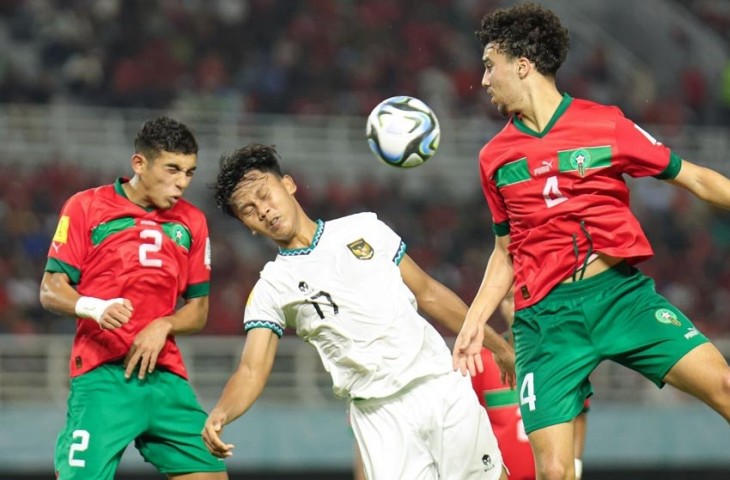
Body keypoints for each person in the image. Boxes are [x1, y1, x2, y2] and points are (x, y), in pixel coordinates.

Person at [452, 3, 730, 480]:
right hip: (545, 323)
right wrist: (474, 321)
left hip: (621, 298)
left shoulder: (606, 124)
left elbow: (698, 180)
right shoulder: (494, 158)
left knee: (724, 384)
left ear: (522, 65)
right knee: (555, 472)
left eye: (489, 65)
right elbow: (505, 251)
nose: (483, 80)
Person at [202, 143, 514, 480]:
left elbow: (429, 294)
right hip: (379, 416)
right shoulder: (271, 288)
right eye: (248, 209)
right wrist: (221, 412)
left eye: (264, 194)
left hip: (438, 385)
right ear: (247, 225)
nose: (262, 210)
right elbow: (251, 370)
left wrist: (499, 348)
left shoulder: (364, 228)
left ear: (288, 184)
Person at [39, 117, 227, 480]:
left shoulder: (193, 222)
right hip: (104, 376)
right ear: (139, 164)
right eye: (172, 169)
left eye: (189, 172)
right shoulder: (86, 207)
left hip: (165, 377)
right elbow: (50, 289)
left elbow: (199, 309)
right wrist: (94, 307)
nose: (182, 183)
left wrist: (165, 324)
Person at [471, 292, 589, 480]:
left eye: (523, 295)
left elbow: (580, 415)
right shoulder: (482, 361)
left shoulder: (562, 356)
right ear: (500, 305)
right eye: (510, 298)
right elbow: (471, 423)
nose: (516, 305)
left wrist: (575, 464)